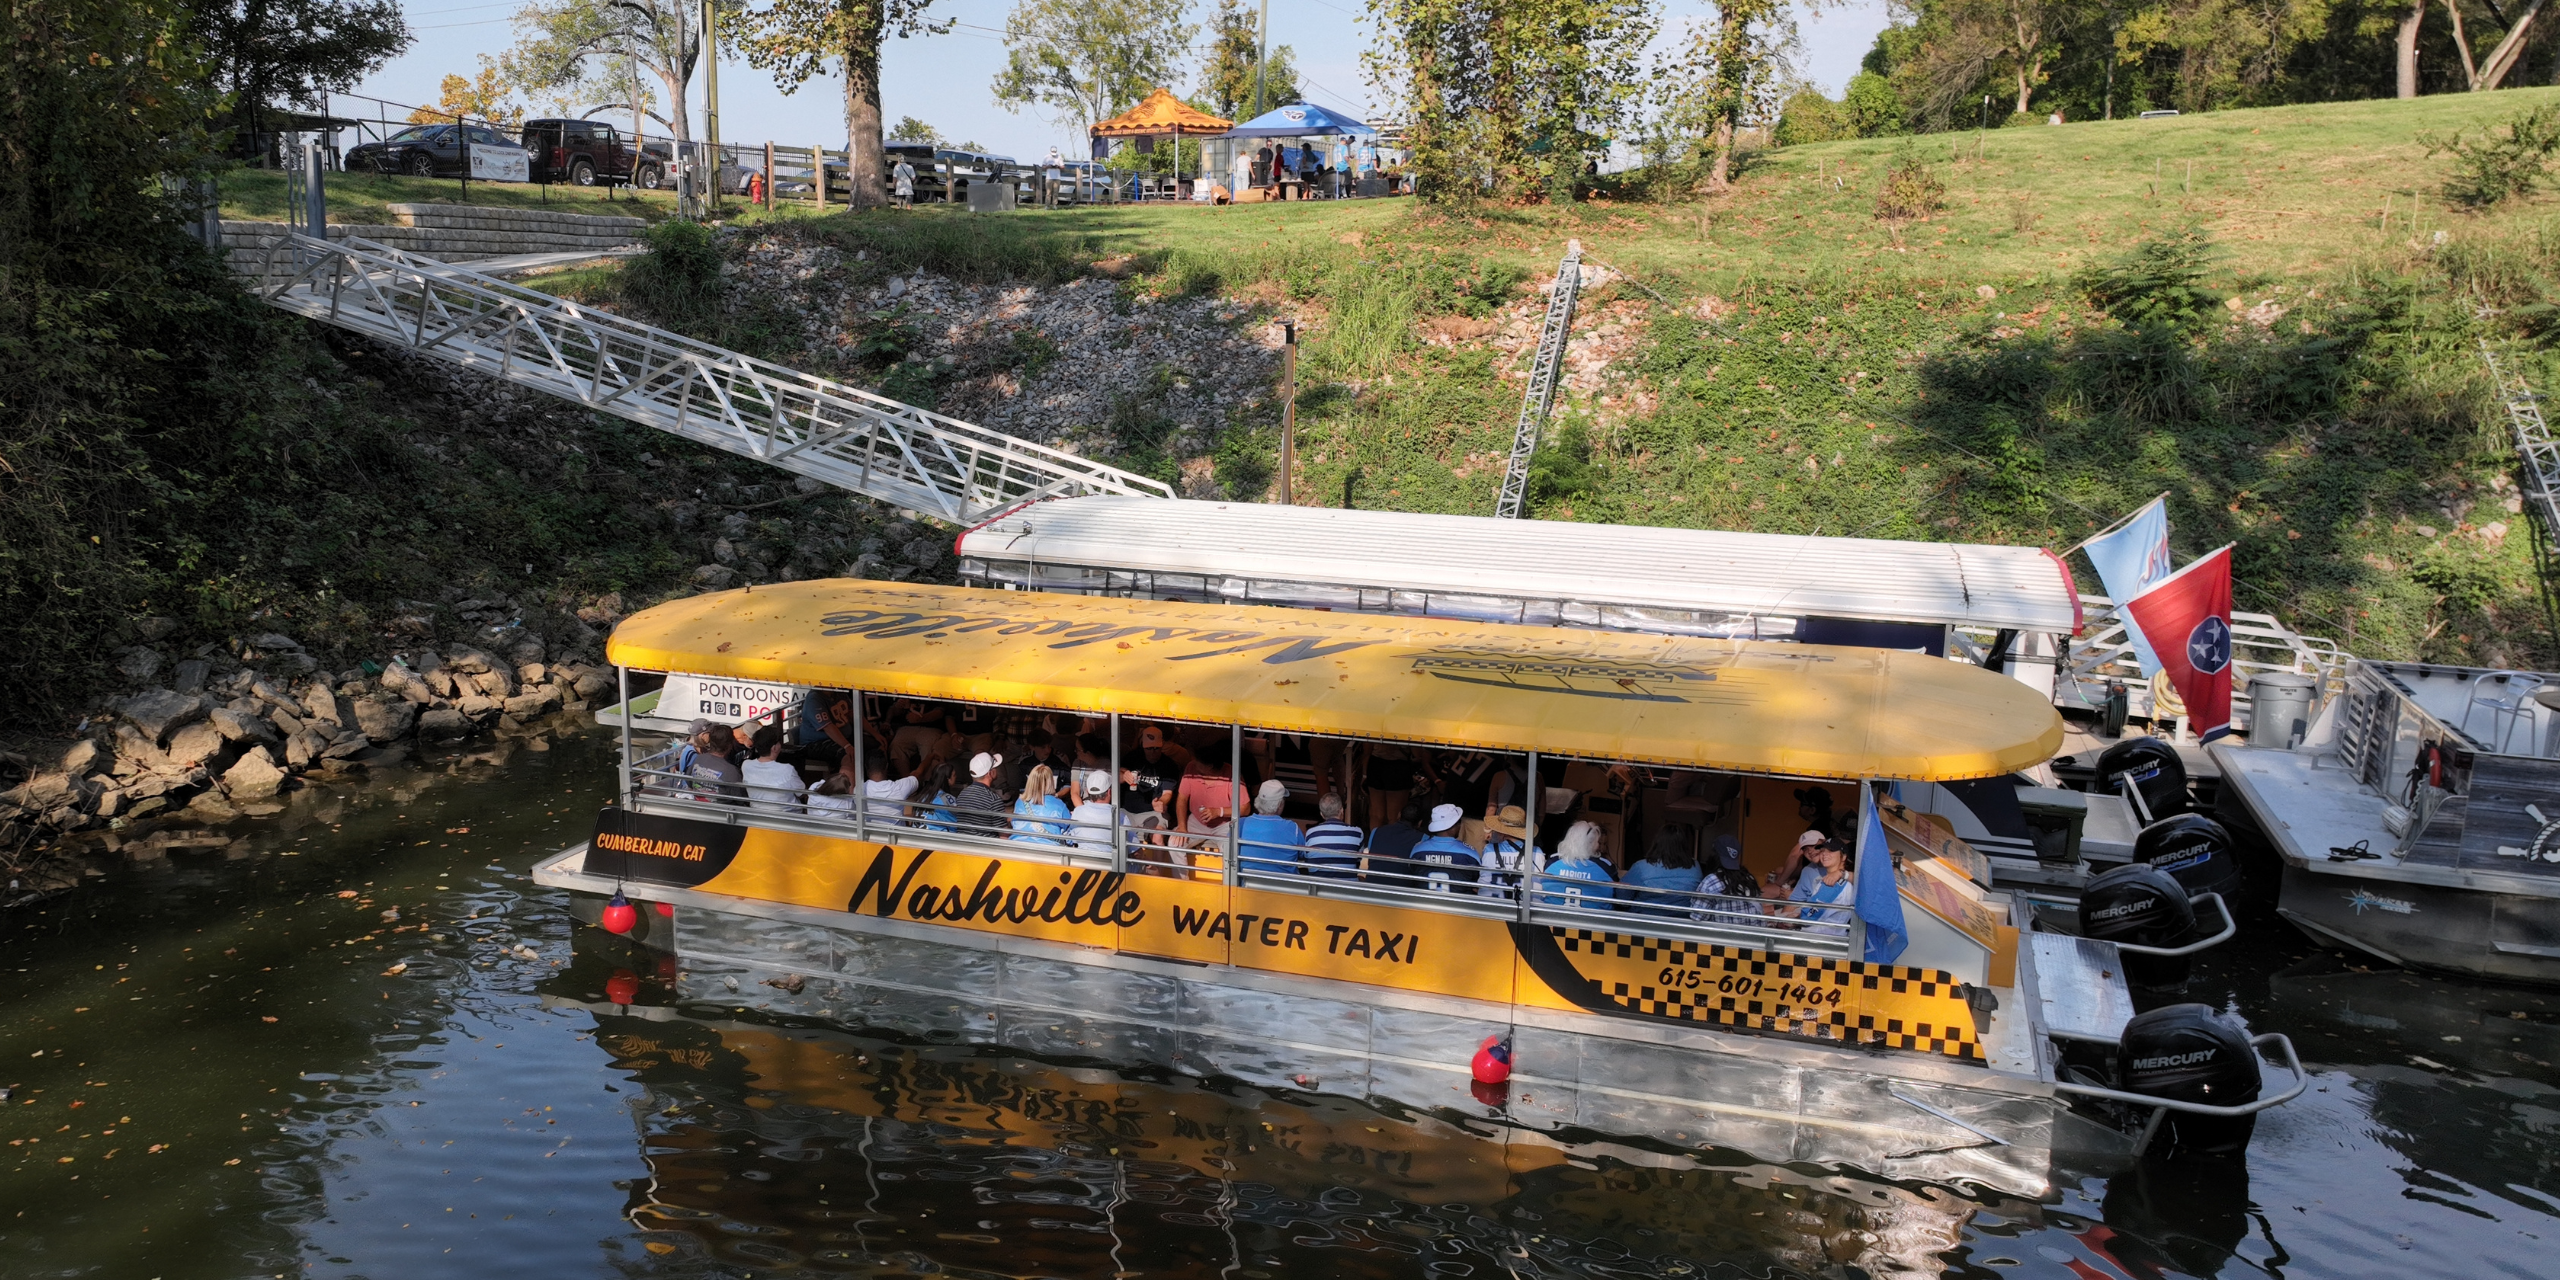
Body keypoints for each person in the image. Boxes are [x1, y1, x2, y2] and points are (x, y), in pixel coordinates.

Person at [1773, 838, 1856, 929]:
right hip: (1822, 934)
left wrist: (1794, 920)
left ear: (1844, 857)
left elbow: (1810, 916)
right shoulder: (1833, 879)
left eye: (1831, 851)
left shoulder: (1832, 883)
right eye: (1823, 850)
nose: (1825, 854)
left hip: (1819, 938)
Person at [1536, 820, 1619, 909]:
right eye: (1597, 842)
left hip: (1552, 919)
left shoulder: (1552, 862)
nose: (1598, 845)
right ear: (1591, 844)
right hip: (1594, 921)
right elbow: (1618, 895)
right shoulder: (1606, 867)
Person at [1621, 826, 1703, 915]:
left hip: (1644, 922)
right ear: (1685, 846)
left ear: (1657, 843)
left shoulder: (1641, 867)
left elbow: (1623, 897)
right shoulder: (1695, 867)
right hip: (1682, 923)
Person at [1407, 804, 1483, 895]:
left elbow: (1412, 874)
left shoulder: (1417, 850)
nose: (1460, 826)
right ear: (1452, 827)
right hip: (1459, 906)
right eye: (1458, 823)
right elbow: (1477, 880)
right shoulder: (1470, 853)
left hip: (1425, 905)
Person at [1236, 779, 1302, 876]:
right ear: (1280, 804)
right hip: (1285, 887)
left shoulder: (1241, 824)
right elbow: (1302, 854)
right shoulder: (1293, 828)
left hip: (1248, 885)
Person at [739, 723, 806, 815]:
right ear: (774, 748)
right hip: (788, 817)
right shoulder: (787, 769)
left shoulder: (746, 765)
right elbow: (802, 793)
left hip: (758, 815)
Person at [1693, 834, 1761, 923]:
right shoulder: (1749, 878)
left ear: (1713, 855)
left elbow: (1697, 918)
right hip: (1750, 935)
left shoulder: (1711, 881)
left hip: (1721, 936)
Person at [1480, 804, 1540, 899]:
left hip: (1491, 906)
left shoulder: (1488, 849)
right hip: (1524, 909)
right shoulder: (1537, 852)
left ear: (1500, 831)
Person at [681, 718, 746, 805]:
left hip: (699, 808)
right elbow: (742, 800)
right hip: (722, 814)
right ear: (730, 745)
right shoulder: (732, 771)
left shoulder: (698, 759)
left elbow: (689, 783)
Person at [1300, 793, 1365, 879]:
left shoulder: (1310, 833)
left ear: (1322, 814)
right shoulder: (1357, 833)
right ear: (1341, 811)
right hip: (1347, 889)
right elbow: (1358, 860)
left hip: (1317, 888)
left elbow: (1308, 858)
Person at [1361, 743, 1421, 831]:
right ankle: (1392, 842)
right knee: (1395, 816)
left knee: (1376, 814)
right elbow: (1418, 754)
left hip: (1375, 764)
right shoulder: (1409, 728)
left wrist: (1364, 775)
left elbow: (1366, 751)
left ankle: (1374, 842)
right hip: (1399, 766)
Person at [1364, 799, 1427, 881]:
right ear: (1420, 823)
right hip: (1403, 888)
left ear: (1399, 815)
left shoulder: (1376, 831)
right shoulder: (1423, 838)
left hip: (1373, 885)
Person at [864, 751, 930, 827]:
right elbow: (918, 774)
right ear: (887, 766)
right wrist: (929, 758)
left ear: (866, 767)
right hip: (896, 836)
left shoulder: (859, 789)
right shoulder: (898, 787)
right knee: (911, 800)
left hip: (869, 834)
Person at [1011, 764, 1071, 845]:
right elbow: (1070, 830)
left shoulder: (1020, 801)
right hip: (1048, 850)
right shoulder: (1058, 804)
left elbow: (1014, 824)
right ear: (1051, 781)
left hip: (1017, 846)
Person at [955, 751, 1007, 837]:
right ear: (990, 773)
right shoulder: (993, 799)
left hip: (963, 845)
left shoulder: (962, 794)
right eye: (995, 767)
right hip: (986, 848)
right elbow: (1004, 836)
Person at [1069, 769, 1119, 855]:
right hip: (1110, 864)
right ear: (1109, 792)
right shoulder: (1119, 816)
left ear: (1088, 792)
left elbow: (1072, 839)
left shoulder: (1078, 811)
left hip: (1083, 861)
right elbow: (1134, 849)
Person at [1768, 828, 1829, 898]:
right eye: (1805, 849)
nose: (1810, 851)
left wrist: (1794, 898)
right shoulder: (1807, 870)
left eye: (1813, 845)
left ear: (1824, 843)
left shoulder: (1835, 866)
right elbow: (1802, 893)